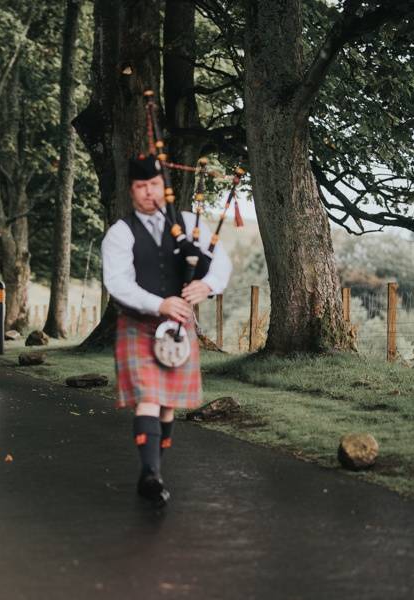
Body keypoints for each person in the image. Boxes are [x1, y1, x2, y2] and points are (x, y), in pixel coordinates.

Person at [102, 154, 232, 507]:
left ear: (165, 186)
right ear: (131, 191)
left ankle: (155, 469)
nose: (149, 193)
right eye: (141, 187)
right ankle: (150, 475)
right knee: (149, 397)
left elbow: (220, 262)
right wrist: (157, 303)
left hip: (178, 327)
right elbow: (116, 282)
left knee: (168, 405)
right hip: (139, 325)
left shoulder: (189, 222)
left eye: (155, 185)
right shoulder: (120, 233)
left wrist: (208, 286)